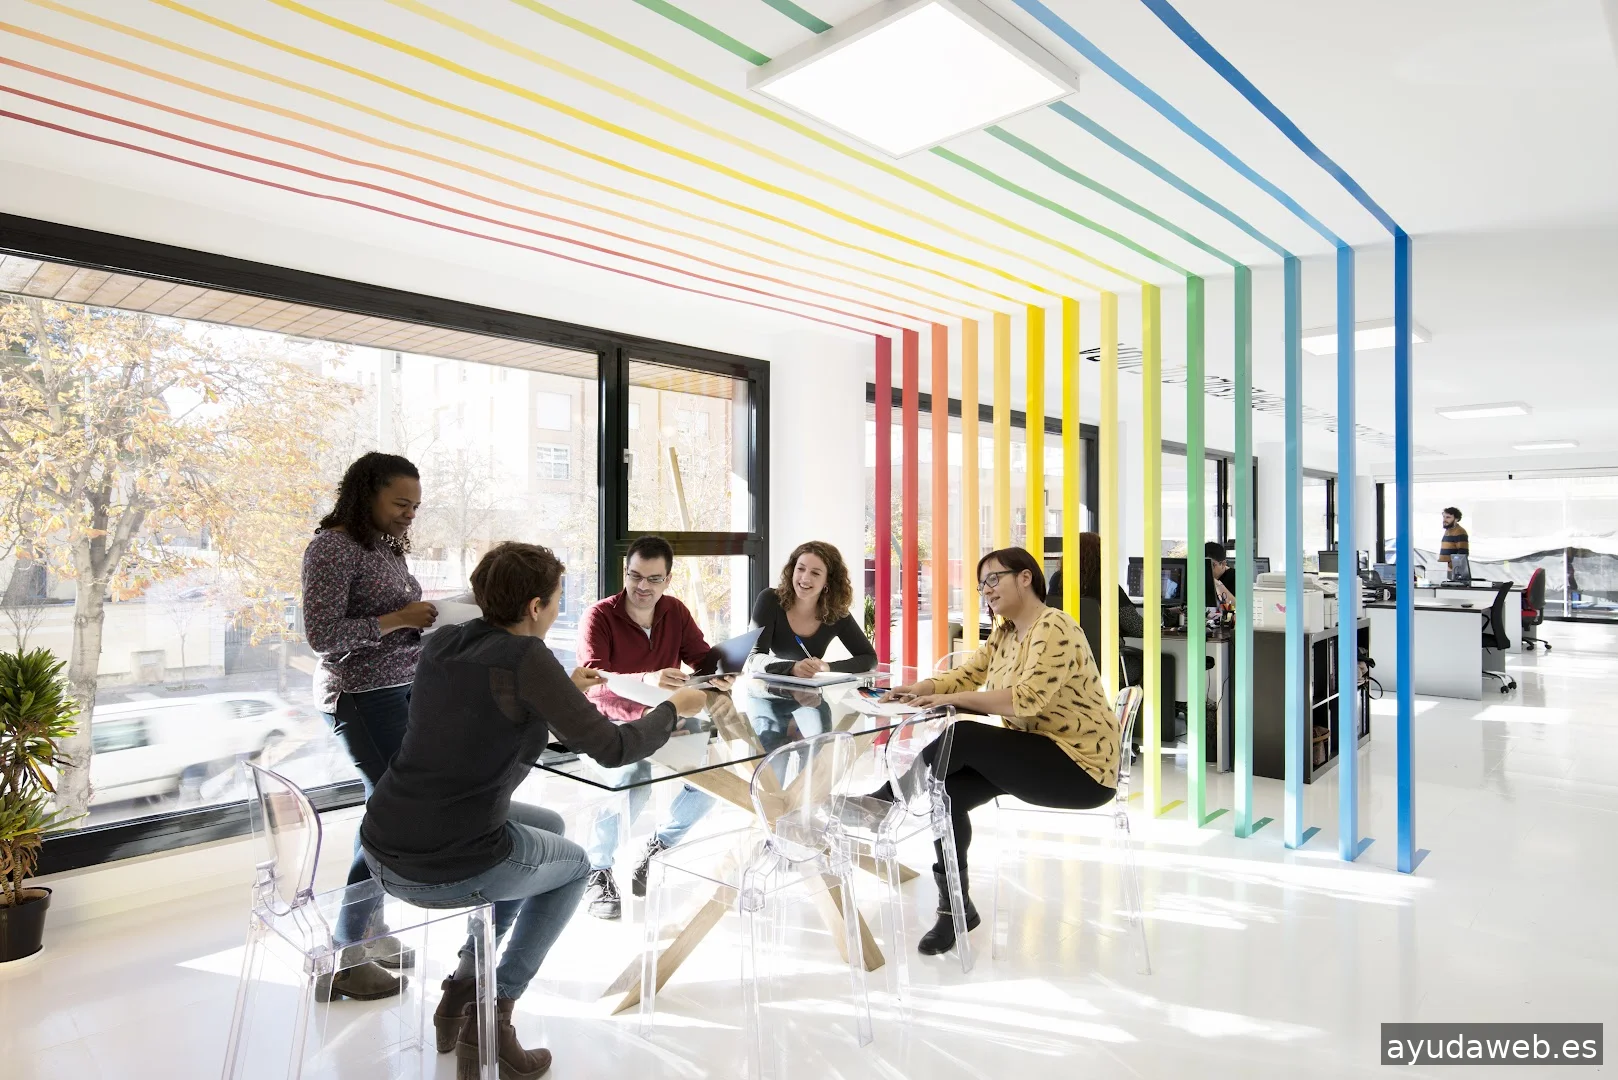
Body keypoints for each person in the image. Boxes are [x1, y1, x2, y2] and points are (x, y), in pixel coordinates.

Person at [359, 542, 707, 1078]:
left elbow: (487, 709)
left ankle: (461, 988)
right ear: (535, 607)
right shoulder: (526, 657)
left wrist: (561, 691)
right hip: (443, 864)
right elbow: (614, 749)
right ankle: (496, 1014)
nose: (559, 609)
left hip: (382, 842)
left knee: (551, 826)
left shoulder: (446, 642)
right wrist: (671, 708)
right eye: (557, 599)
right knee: (574, 867)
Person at [884, 546, 1119, 957]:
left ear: (1025, 577)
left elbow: (1025, 699)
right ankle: (954, 909)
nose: (987, 590)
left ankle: (883, 801)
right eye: (982, 585)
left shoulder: (1055, 626)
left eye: (994, 579)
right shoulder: (1007, 632)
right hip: (1041, 752)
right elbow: (968, 674)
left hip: (1083, 767)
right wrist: (919, 689)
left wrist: (951, 701)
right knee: (946, 793)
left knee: (964, 736)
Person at [301, 451, 438, 1000]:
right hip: (359, 697)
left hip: (398, 690)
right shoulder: (331, 548)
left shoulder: (380, 545)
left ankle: (369, 929)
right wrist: (400, 618)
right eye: (400, 503)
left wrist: (428, 622)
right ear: (367, 494)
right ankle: (345, 955)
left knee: (383, 810)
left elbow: (388, 621)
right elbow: (322, 636)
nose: (409, 514)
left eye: (415, 506)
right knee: (394, 815)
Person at [576, 535, 728, 919]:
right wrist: (647, 681)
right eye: (635, 576)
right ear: (625, 572)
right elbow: (592, 684)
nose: (642, 586)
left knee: (716, 773)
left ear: (668, 579)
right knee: (634, 776)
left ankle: (658, 847)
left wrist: (721, 674)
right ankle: (597, 869)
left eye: (654, 579)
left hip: (663, 719)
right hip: (607, 723)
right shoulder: (599, 616)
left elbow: (703, 659)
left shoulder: (674, 612)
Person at [749, 540, 877, 678]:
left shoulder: (835, 612)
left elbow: (869, 658)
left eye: (815, 573)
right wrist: (792, 667)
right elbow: (754, 658)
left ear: (828, 581)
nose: (805, 578)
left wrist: (827, 667)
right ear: (792, 570)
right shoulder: (770, 599)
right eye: (800, 569)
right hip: (769, 688)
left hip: (811, 689)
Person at [1205, 540, 1237, 607]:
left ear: (1223, 564)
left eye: (1211, 565)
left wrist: (1217, 584)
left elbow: (1233, 608)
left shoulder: (1236, 577)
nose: (1206, 569)